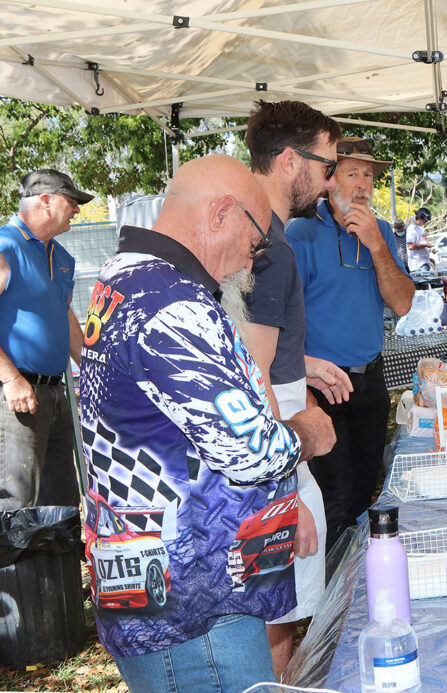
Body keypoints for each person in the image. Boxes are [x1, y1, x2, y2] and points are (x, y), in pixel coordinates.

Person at [77, 154, 336, 691]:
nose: (254, 254)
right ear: (222, 213)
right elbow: (252, 451)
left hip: (165, 589)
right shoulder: (172, 303)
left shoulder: (128, 278)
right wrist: (308, 429)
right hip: (195, 607)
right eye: (256, 235)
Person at [244, 99, 354, 676]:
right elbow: (246, 376)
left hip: (273, 449)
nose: (332, 179)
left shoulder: (261, 237)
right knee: (273, 633)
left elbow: (246, 349)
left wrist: (301, 363)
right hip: (273, 458)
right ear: (291, 160)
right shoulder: (270, 247)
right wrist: (283, 493)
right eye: (328, 163)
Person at [287, 136, 414, 549]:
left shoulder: (381, 234)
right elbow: (285, 321)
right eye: (351, 173)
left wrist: (378, 246)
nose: (362, 185)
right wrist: (303, 384)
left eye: (368, 176)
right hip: (323, 387)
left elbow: (403, 302)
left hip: (371, 383)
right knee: (336, 500)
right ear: (329, 180)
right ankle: (332, 606)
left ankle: (355, 592)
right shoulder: (301, 234)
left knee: (364, 495)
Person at [0, 169, 90, 512]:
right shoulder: (6, 245)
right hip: (15, 397)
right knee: (19, 507)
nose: (78, 210)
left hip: (55, 395)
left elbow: (65, 318)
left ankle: (63, 569)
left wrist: (94, 373)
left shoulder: (62, 257)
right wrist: (10, 378)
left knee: (63, 503)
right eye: (72, 202)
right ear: (46, 202)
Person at [406, 207, 433, 272]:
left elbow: (422, 242)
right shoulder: (412, 229)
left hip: (424, 262)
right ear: (420, 217)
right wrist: (426, 245)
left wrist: (430, 249)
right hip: (417, 264)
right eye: (425, 220)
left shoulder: (420, 228)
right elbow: (410, 246)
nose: (426, 221)